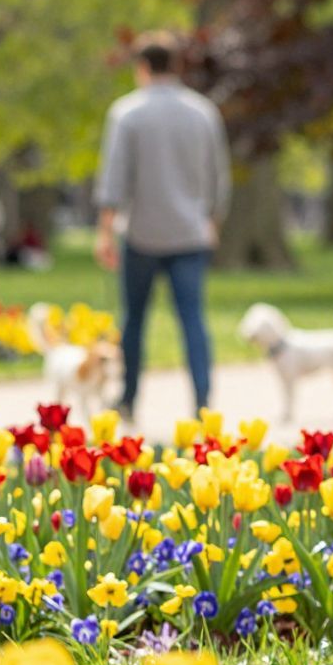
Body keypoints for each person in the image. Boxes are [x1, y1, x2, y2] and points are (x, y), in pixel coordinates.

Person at [93, 30, 230, 422]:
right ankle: (203, 402)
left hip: (142, 234)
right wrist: (212, 219)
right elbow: (218, 176)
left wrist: (104, 231)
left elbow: (114, 179)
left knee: (134, 320)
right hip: (191, 232)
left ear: (141, 67)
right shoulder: (203, 112)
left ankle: (129, 398)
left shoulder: (127, 113)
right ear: (177, 65)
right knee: (192, 318)